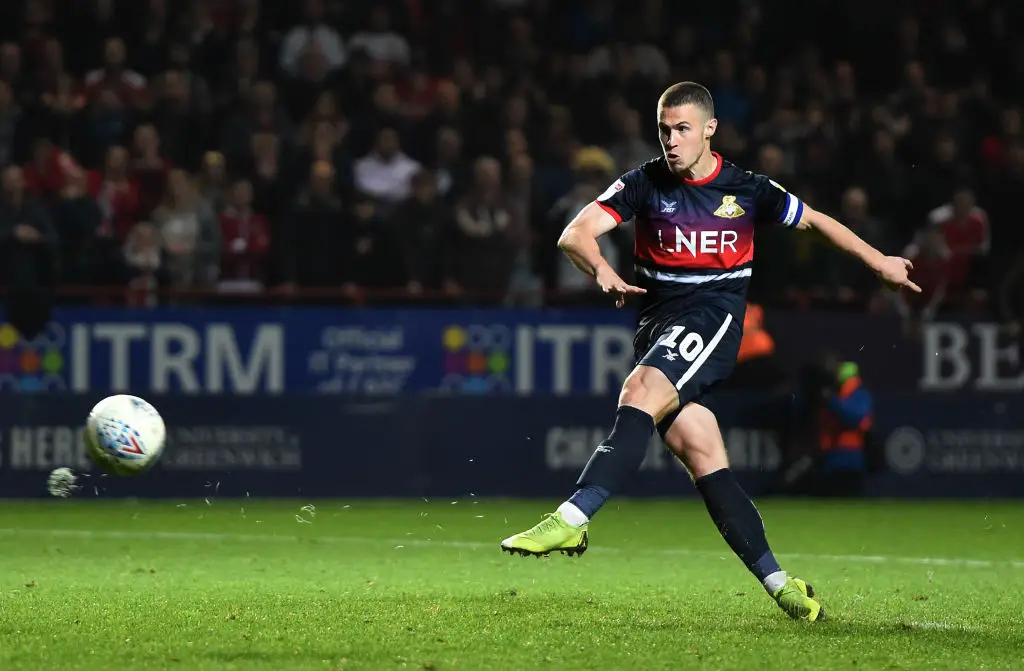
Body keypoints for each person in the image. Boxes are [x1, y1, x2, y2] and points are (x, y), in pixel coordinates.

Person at [499, 82, 921, 622]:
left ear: (709, 130)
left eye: (682, 129)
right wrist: (602, 269)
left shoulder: (747, 188)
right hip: (657, 327)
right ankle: (782, 585)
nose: (671, 141)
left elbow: (815, 221)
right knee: (702, 451)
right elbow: (574, 234)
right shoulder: (644, 182)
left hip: (712, 318)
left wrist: (880, 262)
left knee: (639, 390)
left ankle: (573, 517)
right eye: (664, 130)